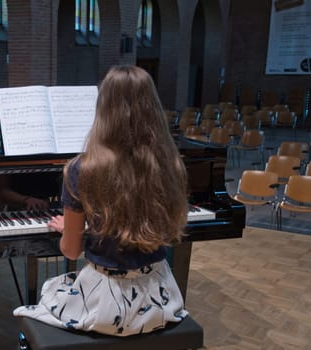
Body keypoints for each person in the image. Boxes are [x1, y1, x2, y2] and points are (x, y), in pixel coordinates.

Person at [13, 65, 189, 336]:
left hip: (107, 306)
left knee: (49, 291)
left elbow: (71, 252)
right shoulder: (171, 164)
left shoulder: (82, 169)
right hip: (161, 297)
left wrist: (72, 232)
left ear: (103, 108)